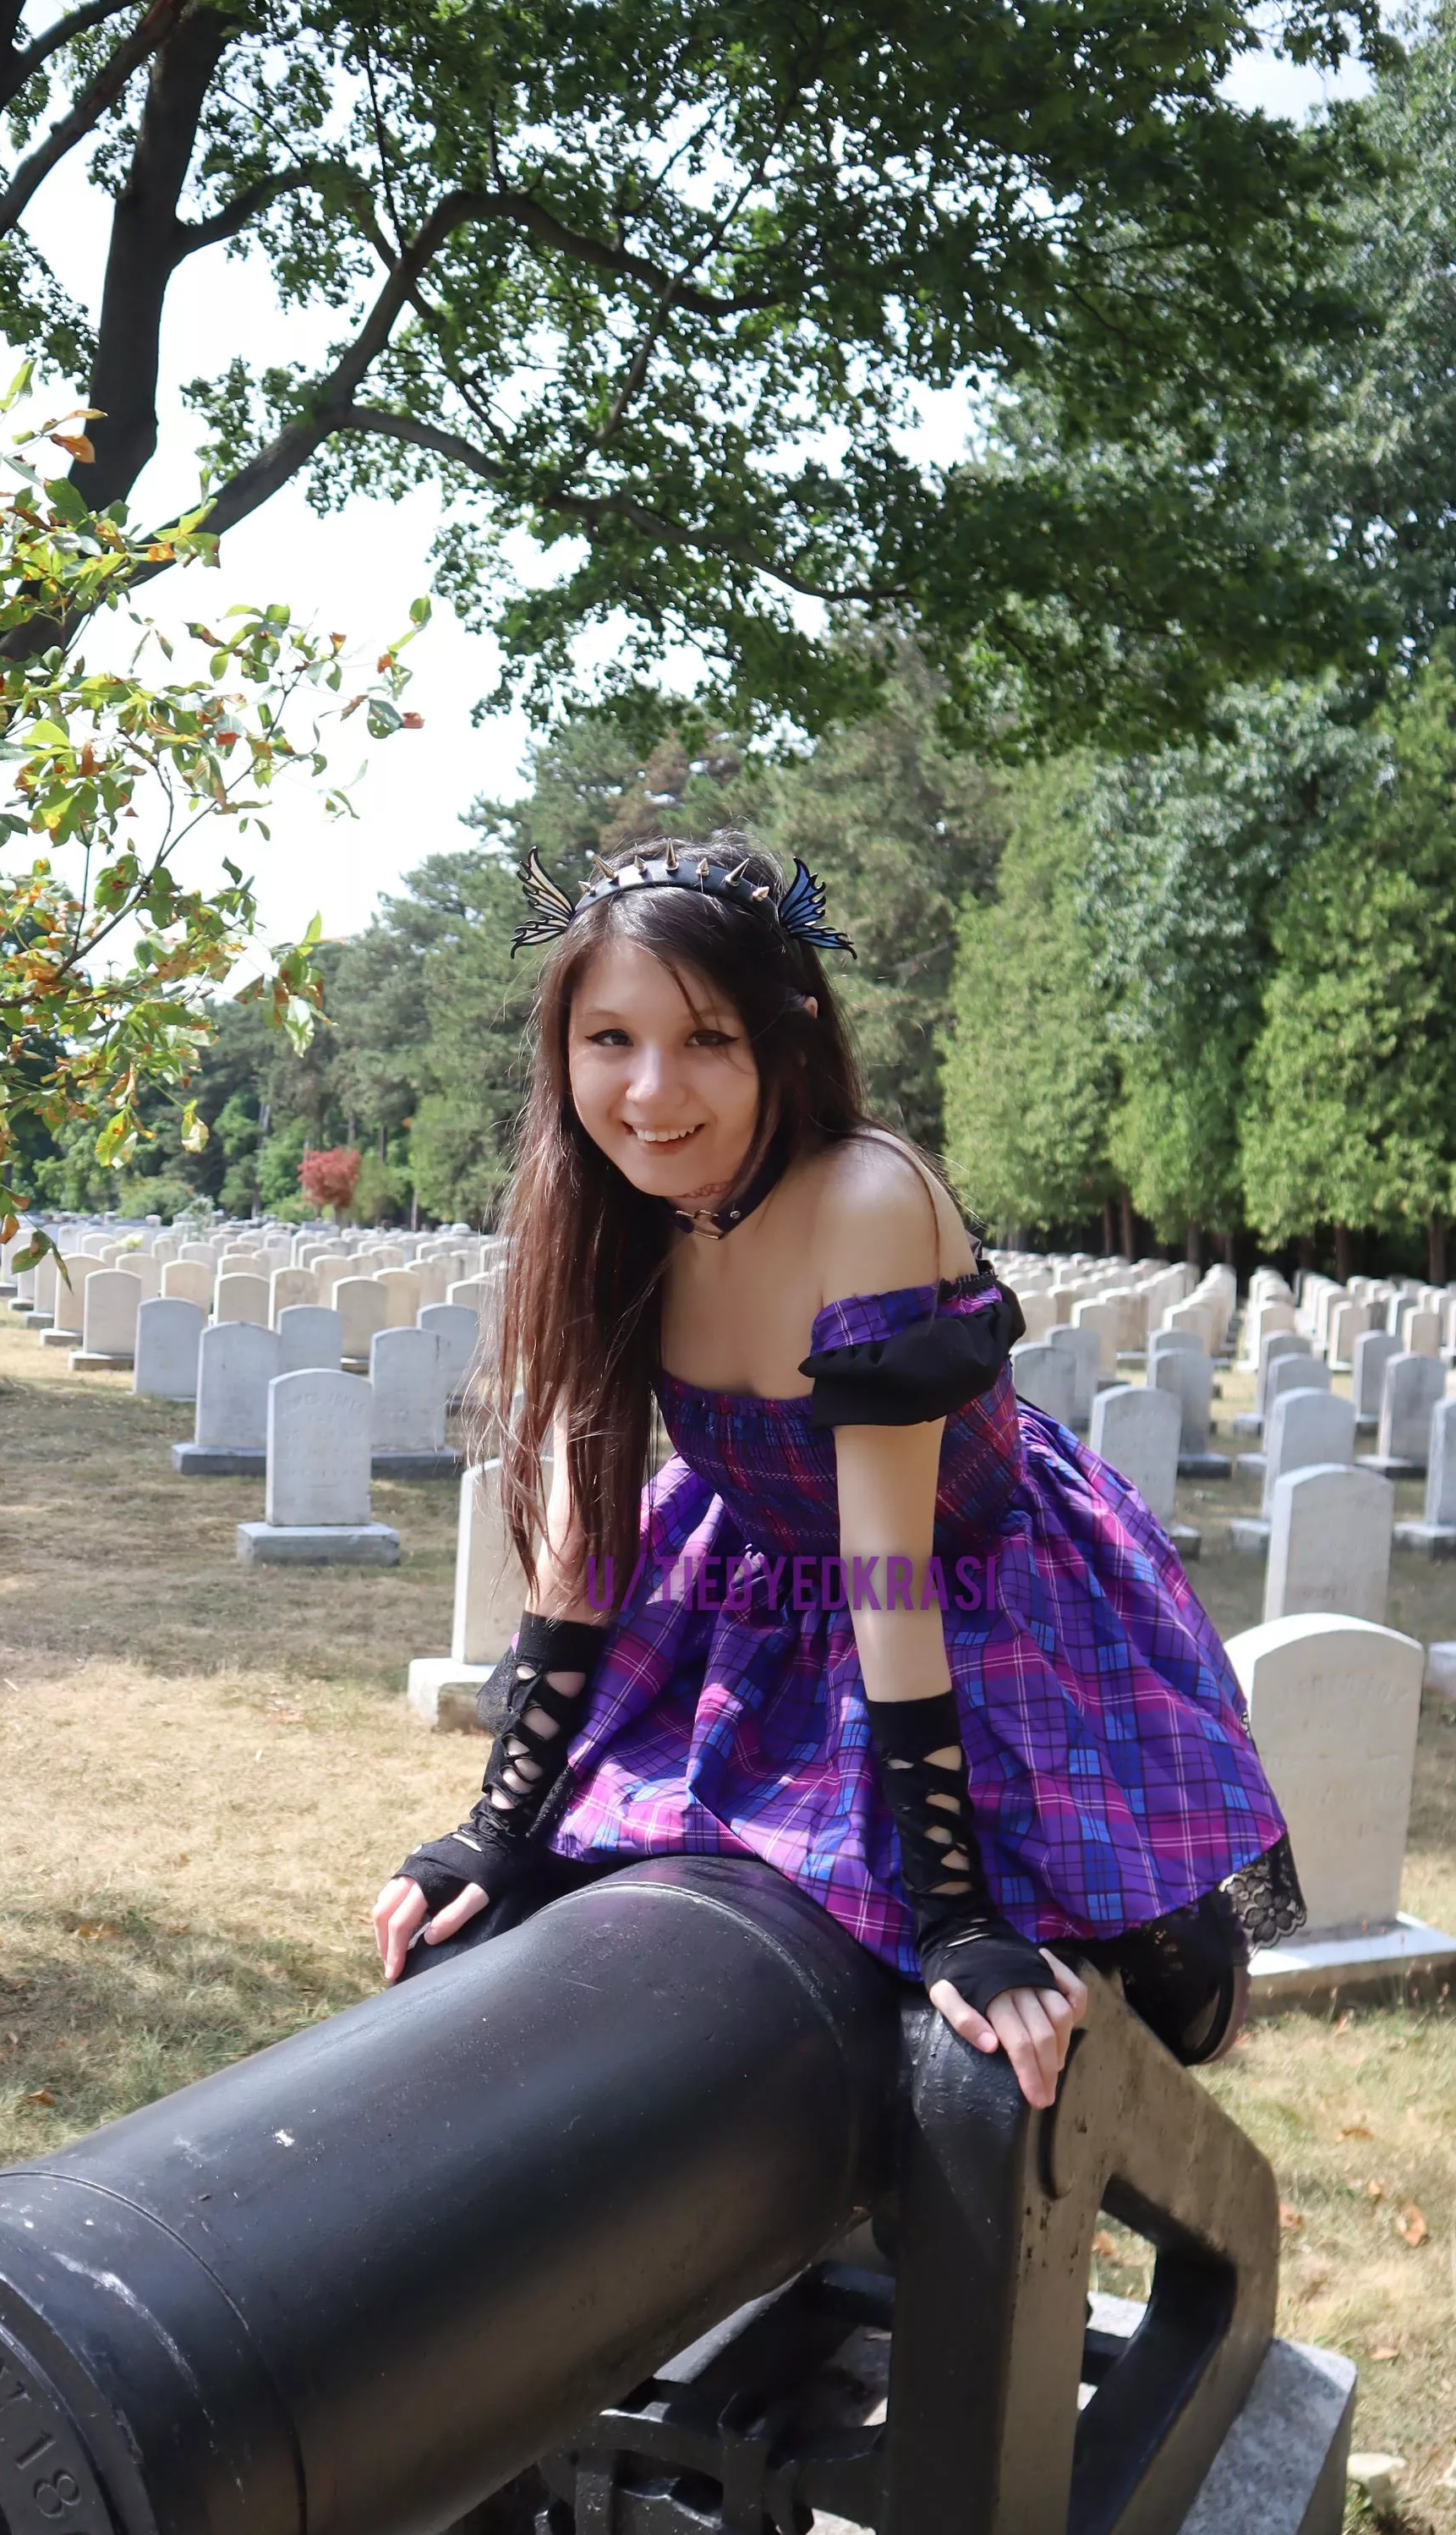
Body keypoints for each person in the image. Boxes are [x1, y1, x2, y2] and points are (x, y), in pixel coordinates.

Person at [371, 830, 1303, 2110]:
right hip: (740, 1593)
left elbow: (887, 1568)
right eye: (610, 1041)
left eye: (706, 1039)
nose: (650, 1092)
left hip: (966, 1602)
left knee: (1148, 1972)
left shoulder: (868, 1199)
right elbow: (585, 1534)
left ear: (785, 1039)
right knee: (587, 1914)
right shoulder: (610, 1208)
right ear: (563, 1049)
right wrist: (501, 1819)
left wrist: (956, 1912)